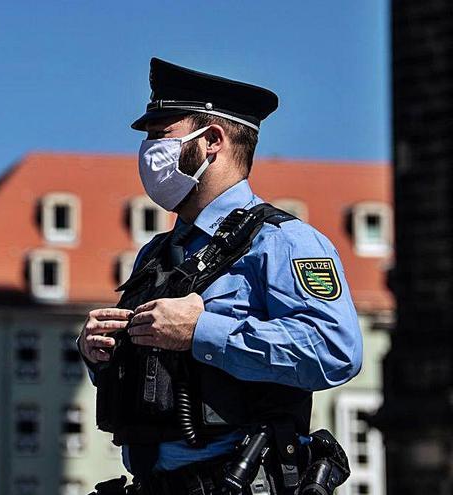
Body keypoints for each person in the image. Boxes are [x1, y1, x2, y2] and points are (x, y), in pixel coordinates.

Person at [79, 58, 362, 494]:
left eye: (161, 136)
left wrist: (202, 332)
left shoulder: (283, 242)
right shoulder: (156, 254)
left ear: (211, 141)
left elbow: (335, 349)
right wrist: (103, 353)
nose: (149, 151)